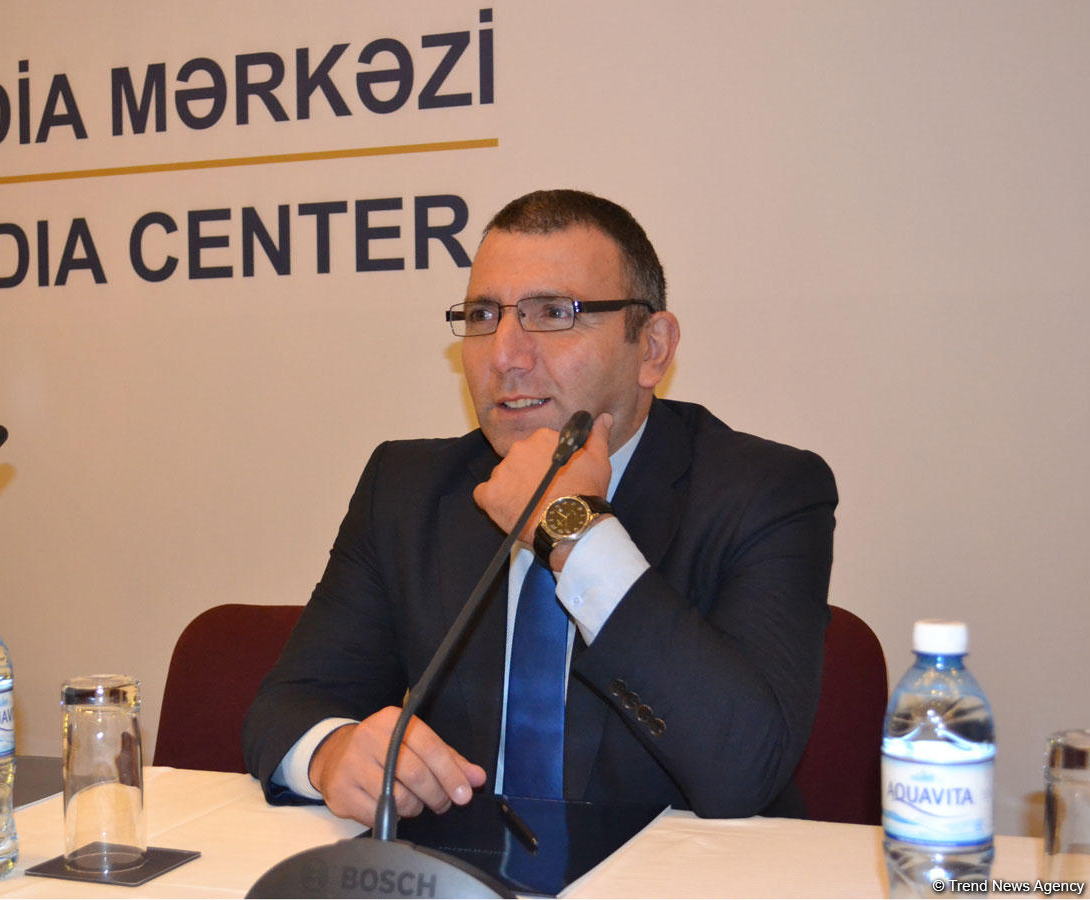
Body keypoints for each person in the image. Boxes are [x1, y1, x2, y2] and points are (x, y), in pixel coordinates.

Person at [242, 189, 838, 828]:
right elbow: (291, 704)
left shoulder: (764, 492)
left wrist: (573, 529)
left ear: (652, 348)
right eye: (482, 316)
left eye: (553, 313)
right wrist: (332, 753)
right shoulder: (407, 489)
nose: (504, 356)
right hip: (461, 871)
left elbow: (744, 769)